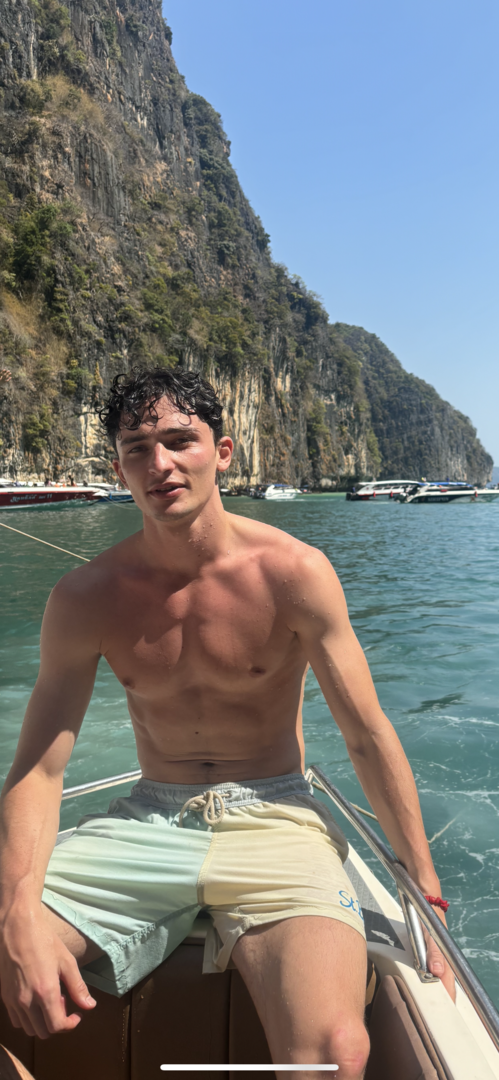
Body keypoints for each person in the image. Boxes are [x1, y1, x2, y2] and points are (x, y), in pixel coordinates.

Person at [0, 369, 453, 1079]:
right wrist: (17, 909)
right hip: (149, 821)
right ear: (118, 468)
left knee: (337, 1055)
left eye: (180, 440)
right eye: (137, 448)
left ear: (224, 452)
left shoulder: (294, 573)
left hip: (278, 816)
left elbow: (365, 735)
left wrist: (423, 891)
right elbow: (39, 768)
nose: (160, 463)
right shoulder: (85, 597)